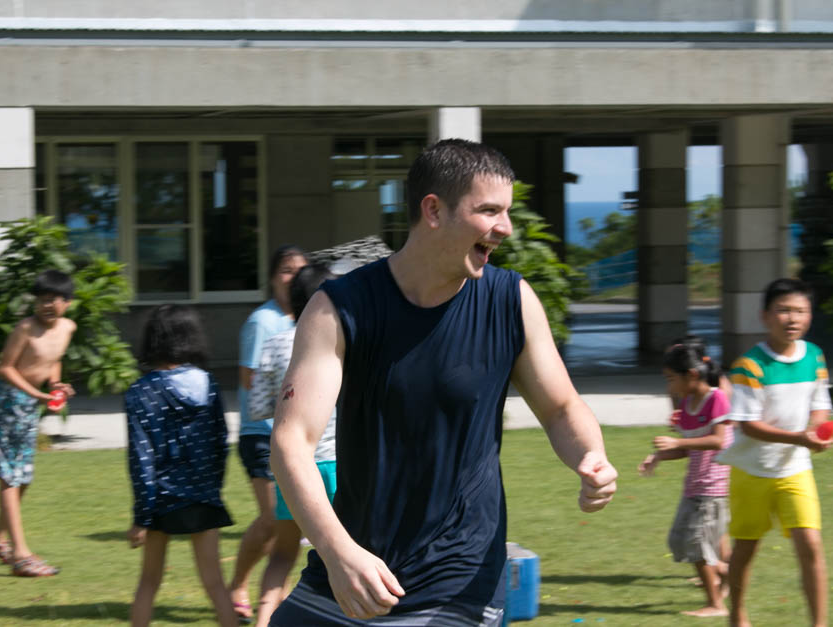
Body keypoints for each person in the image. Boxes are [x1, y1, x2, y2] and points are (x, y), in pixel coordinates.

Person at [268, 139, 618, 626]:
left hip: (458, 579)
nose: (506, 228)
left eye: (507, 212)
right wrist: (339, 553)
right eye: (489, 211)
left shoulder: (510, 301)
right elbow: (291, 442)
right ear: (433, 210)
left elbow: (561, 408)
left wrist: (590, 456)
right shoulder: (339, 307)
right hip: (352, 568)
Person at [714, 278, 833, 627]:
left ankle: (819, 624)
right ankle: (736, 614)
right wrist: (802, 438)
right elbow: (747, 425)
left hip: (795, 470)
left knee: (811, 545)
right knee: (746, 549)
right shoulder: (749, 366)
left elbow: (820, 403)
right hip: (752, 471)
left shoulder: (814, 356)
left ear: (810, 315)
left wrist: (817, 428)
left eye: (800, 310)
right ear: (766, 316)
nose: (792, 318)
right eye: (783, 310)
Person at [125, 304, 235, 627]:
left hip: (161, 500)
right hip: (203, 496)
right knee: (215, 585)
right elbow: (220, 442)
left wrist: (141, 517)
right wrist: (212, 489)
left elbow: (141, 458)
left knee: (149, 582)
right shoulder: (208, 384)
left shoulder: (140, 391)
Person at [247, 264, 338, 627]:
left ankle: (263, 621)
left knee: (282, 555)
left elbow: (256, 406)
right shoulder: (343, 340)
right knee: (340, 554)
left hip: (290, 464)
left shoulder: (274, 343)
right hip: (336, 463)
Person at [0, 269, 77, 577]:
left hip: (31, 404)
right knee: (11, 475)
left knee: (24, 476)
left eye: (53, 300)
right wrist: (38, 393)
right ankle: (21, 555)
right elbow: (5, 368)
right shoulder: (25, 328)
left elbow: (54, 359)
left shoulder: (68, 328)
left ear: (68, 302)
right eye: (41, 300)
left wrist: (57, 384)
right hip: (7, 402)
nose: (46, 306)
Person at [230, 244, 307, 620]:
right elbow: (248, 380)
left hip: (295, 438)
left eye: (299, 270)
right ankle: (238, 586)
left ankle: (274, 603)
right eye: (286, 270)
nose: (292, 277)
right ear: (273, 277)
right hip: (261, 435)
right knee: (273, 521)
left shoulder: (306, 319)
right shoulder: (264, 322)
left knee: (284, 526)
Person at [639, 341, 733, 617]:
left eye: (671, 379)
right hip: (693, 485)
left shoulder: (716, 398)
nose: (669, 387)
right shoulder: (688, 405)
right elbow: (687, 448)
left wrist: (676, 441)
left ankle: (716, 604)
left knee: (697, 544)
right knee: (679, 541)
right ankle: (727, 572)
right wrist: (659, 456)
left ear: (691, 374)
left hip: (713, 487)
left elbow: (717, 441)